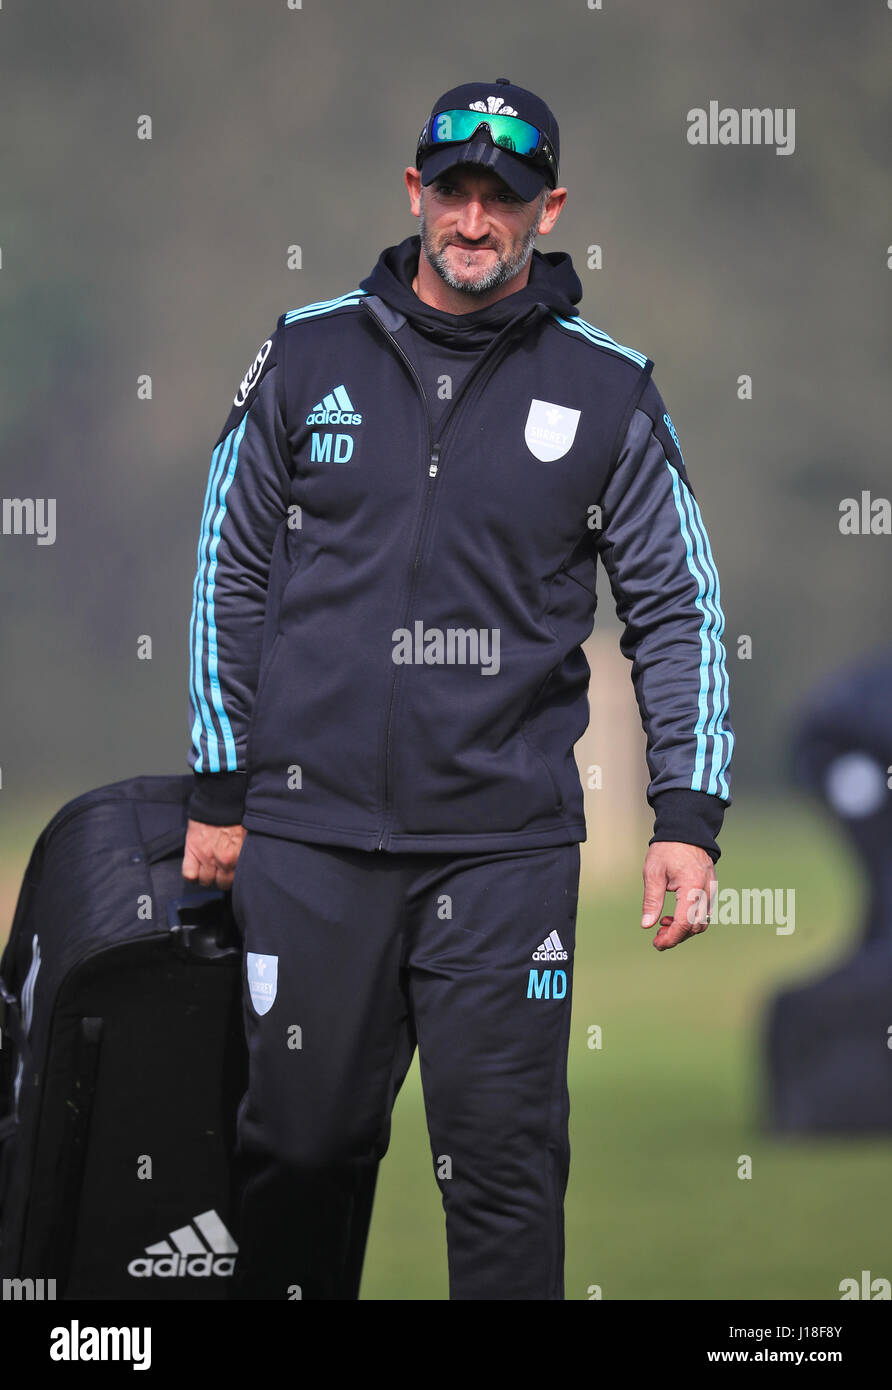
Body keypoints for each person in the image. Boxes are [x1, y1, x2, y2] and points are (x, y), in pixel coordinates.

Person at [182, 77, 734, 1301]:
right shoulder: (304, 348)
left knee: (501, 1170)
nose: (473, 217)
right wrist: (219, 785)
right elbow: (228, 564)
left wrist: (685, 817)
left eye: (504, 197)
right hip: (308, 837)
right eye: (454, 189)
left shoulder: (610, 390)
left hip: (502, 856)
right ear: (413, 191)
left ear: (549, 211)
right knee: (299, 1152)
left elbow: (677, 607)